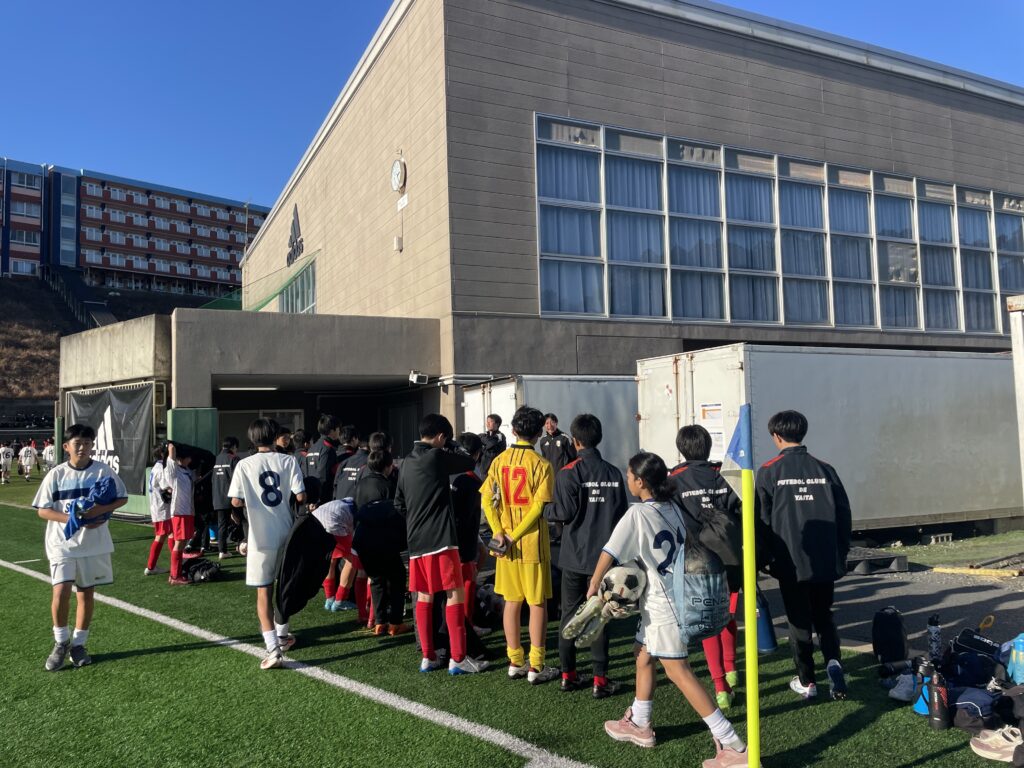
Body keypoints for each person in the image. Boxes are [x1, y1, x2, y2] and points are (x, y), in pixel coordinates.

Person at [589, 452, 750, 766]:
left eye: (630, 475)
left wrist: (594, 584)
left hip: (664, 604)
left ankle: (733, 745)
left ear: (640, 481)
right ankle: (640, 723)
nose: (627, 479)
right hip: (669, 598)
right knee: (642, 654)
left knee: (679, 672)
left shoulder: (637, 513)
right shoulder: (672, 507)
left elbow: (610, 551)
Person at [756, 410, 851, 702]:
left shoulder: (769, 471)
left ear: (776, 436)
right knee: (823, 614)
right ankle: (833, 661)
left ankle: (807, 680)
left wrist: (765, 558)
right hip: (824, 558)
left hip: (790, 561)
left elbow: (762, 520)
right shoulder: (825, 469)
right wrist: (840, 552)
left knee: (798, 621)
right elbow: (844, 515)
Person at [395, 413, 486, 675]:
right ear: (440, 437)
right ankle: (458, 658)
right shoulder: (435, 456)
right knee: (454, 593)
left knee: (424, 596)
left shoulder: (406, 462)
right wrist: (453, 446)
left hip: (416, 541)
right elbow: (469, 460)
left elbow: (399, 504)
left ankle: (429, 655)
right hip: (442, 539)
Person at [33, 423, 128, 671]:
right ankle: (60, 642)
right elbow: (42, 510)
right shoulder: (56, 474)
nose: (83, 447)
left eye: (87, 443)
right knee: (61, 591)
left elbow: (122, 497)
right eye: (78, 443)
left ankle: (78, 644)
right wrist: (72, 519)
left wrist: (100, 510)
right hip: (62, 543)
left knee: (86, 593)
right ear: (66, 447)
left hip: (93, 544)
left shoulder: (103, 471)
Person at [547, 413, 626, 697]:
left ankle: (568, 675)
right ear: (598, 438)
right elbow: (621, 517)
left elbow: (563, 512)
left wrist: (544, 509)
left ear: (575, 441)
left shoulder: (569, 472)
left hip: (573, 557)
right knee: (600, 617)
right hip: (604, 559)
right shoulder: (614, 473)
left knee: (569, 615)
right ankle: (600, 681)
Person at [481, 405, 558, 684]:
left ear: (513, 430)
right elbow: (538, 508)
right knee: (537, 604)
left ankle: (515, 660)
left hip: (505, 547)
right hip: (532, 544)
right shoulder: (542, 465)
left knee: (511, 602)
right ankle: (536, 665)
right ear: (539, 434)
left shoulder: (499, 461)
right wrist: (514, 535)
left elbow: (486, 500)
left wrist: (499, 532)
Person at [668, 425, 742, 710]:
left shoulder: (675, 479)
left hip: (697, 562)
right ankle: (732, 669)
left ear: (681, 448)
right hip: (730, 556)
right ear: (708, 446)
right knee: (728, 614)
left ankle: (721, 686)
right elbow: (740, 509)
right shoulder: (723, 474)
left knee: (708, 621)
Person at [228, 418, 307, 670]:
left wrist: (250, 504)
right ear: (275, 437)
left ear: (252, 439)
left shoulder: (244, 464)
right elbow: (301, 496)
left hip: (259, 537)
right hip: (286, 534)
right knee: (285, 587)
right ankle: (282, 634)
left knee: (264, 592)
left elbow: (235, 501)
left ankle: (273, 648)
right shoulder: (288, 460)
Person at [354, 449, 408, 636]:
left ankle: (379, 621)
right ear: (387, 466)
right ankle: (395, 622)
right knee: (397, 577)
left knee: (376, 580)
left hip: (363, 537)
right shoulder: (388, 486)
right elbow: (396, 512)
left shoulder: (361, 484)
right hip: (383, 538)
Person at [451, 432, 486, 624]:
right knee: (466, 579)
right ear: (477, 453)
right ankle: (467, 623)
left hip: (444, 532)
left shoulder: (446, 470)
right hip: (463, 536)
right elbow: (468, 516)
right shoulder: (471, 479)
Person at [163, 442, 197, 585]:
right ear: (181, 457)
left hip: (187, 511)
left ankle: (176, 573)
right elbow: (171, 450)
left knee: (182, 543)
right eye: (188, 457)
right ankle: (175, 576)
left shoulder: (186, 471)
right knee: (179, 543)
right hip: (179, 512)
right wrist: (171, 444)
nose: (191, 459)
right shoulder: (173, 470)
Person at [144, 445, 172, 576]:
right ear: (161, 454)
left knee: (169, 533)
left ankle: (177, 560)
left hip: (158, 507)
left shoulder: (156, 466)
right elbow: (166, 487)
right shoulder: (160, 467)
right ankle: (151, 566)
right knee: (163, 535)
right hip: (162, 508)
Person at [213, 437, 241, 561]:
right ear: (233, 446)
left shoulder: (216, 459)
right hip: (233, 496)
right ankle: (241, 545)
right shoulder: (233, 459)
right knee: (241, 521)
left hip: (218, 496)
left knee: (222, 524)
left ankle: (222, 550)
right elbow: (238, 479)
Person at [306, 414, 342, 504]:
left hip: (310, 497)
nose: (339, 431)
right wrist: (318, 500)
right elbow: (323, 476)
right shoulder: (328, 449)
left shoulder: (312, 448)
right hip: (323, 499)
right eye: (338, 429)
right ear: (332, 430)